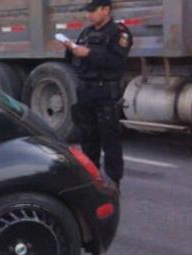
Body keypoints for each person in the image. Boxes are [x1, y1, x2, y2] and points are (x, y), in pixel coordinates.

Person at [62, 0, 131, 185]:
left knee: (110, 140)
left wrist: (89, 53)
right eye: (88, 11)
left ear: (106, 10)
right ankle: (92, 179)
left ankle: (114, 181)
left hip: (105, 92)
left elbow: (117, 61)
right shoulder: (87, 32)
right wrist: (71, 50)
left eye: (93, 11)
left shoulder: (119, 32)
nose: (89, 15)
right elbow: (76, 59)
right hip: (86, 91)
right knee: (88, 138)